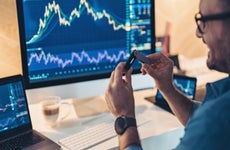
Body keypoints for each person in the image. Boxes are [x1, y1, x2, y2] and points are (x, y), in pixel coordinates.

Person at [105, 0, 230, 149]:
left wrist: (125, 117)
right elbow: (202, 120)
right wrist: (167, 88)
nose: (198, 33)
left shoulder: (218, 116)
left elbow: (210, 123)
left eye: (203, 21)